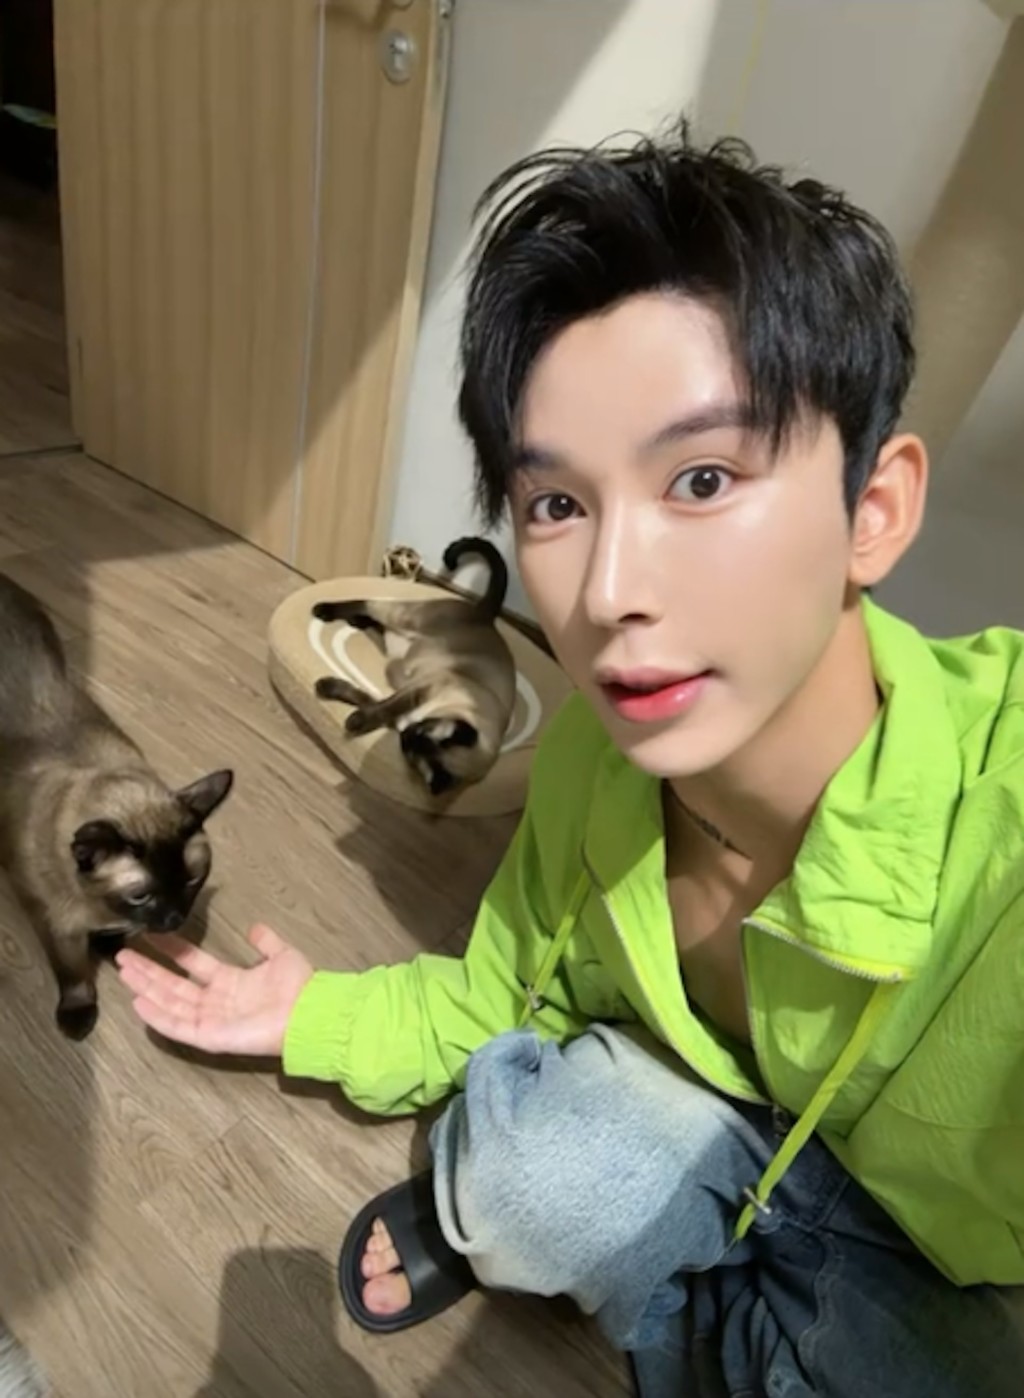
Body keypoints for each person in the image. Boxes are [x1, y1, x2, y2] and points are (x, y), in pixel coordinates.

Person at [115, 122, 1024, 1396]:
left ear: (870, 510)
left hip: (938, 1250)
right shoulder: (601, 762)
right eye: (556, 504)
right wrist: (313, 1014)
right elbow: (500, 992)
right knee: (526, 1184)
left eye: (700, 480)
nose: (604, 592)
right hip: (716, 1125)